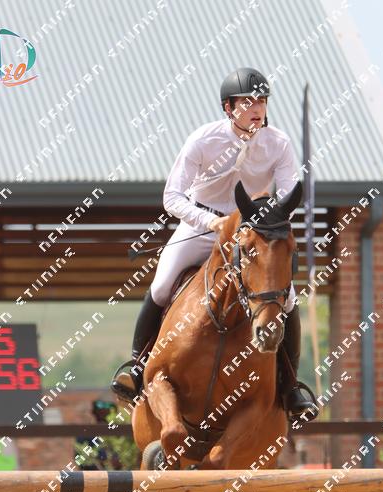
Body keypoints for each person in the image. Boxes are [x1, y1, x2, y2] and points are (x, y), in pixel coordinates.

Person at [112, 67, 316, 421]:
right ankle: (136, 366)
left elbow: (286, 197)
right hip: (202, 224)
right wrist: (210, 222)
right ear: (228, 108)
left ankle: (290, 385)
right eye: (247, 102)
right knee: (162, 285)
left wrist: (265, 222)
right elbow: (172, 197)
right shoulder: (203, 140)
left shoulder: (278, 143)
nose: (256, 108)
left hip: (249, 231)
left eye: (261, 101)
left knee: (287, 299)